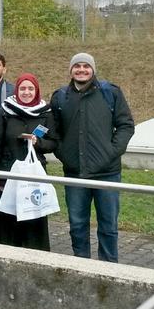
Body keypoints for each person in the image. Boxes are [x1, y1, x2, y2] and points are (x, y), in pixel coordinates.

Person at [50, 53, 135, 263]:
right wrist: (65, 156)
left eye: (86, 66)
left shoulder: (111, 93)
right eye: (76, 66)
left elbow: (126, 125)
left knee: (108, 225)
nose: (81, 70)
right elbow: (53, 132)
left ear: (93, 69)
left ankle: (108, 268)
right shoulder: (60, 97)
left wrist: (112, 151)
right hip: (75, 174)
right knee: (77, 224)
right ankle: (82, 265)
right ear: (70, 70)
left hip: (108, 173)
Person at [0, 73, 59, 251]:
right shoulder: (5, 111)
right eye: (22, 88)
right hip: (7, 177)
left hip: (33, 176)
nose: (26, 92)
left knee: (33, 223)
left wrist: (38, 142)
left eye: (30, 88)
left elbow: (53, 143)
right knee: (7, 225)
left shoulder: (46, 112)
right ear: (17, 90)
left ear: (36, 91)